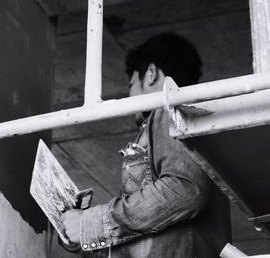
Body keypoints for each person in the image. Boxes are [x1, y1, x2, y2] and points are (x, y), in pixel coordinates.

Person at [61, 33, 231, 257]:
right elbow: (144, 231)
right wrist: (81, 232)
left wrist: (90, 224)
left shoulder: (167, 111)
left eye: (131, 84)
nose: (129, 96)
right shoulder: (192, 121)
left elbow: (184, 190)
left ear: (151, 74)